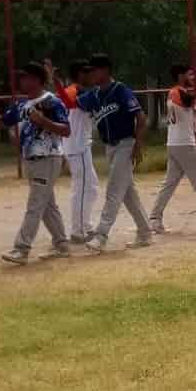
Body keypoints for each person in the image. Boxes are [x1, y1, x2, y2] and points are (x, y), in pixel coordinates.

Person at [0, 61, 73, 264]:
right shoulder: (21, 105)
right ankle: (61, 244)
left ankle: (21, 248)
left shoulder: (51, 102)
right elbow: (0, 123)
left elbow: (66, 130)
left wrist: (43, 121)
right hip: (31, 160)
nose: (21, 80)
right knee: (47, 205)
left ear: (37, 80)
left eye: (25, 77)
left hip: (47, 158)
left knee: (35, 204)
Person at [76, 52, 154, 253]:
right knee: (127, 193)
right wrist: (53, 81)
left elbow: (141, 117)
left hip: (126, 144)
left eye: (94, 70)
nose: (91, 74)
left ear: (105, 70)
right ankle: (145, 232)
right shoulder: (94, 95)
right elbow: (72, 101)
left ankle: (101, 235)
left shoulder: (120, 90)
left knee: (113, 190)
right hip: (110, 147)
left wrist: (138, 144)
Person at [149, 62, 196, 234]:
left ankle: (155, 218)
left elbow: (183, 119)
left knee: (169, 184)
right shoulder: (178, 93)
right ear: (180, 76)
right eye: (189, 75)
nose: (192, 78)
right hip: (184, 147)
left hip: (175, 144)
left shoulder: (174, 94)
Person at [57, 59, 102, 241]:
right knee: (82, 189)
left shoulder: (82, 91)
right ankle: (78, 232)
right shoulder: (73, 91)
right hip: (77, 146)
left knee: (90, 187)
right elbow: (68, 102)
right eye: (89, 73)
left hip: (80, 145)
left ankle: (84, 225)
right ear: (80, 75)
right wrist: (57, 83)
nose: (93, 76)